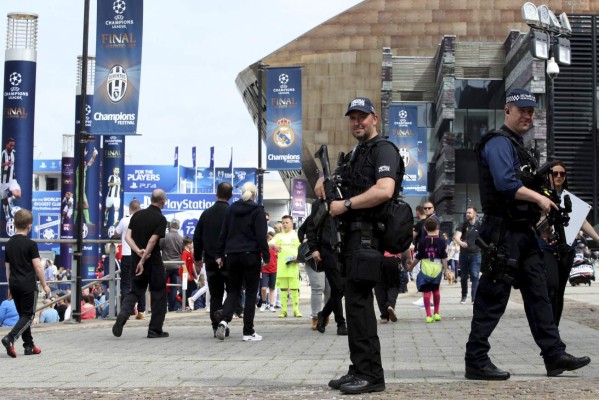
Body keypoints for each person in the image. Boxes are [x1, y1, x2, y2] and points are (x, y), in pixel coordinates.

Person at [465, 88, 590, 380]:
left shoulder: (519, 147)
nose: (527, 115)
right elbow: (506, 184)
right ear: (507, 111)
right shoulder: (498, 143)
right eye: (521, 110)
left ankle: (554, 354)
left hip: (523, 234)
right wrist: (539, 200)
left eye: (531, 111)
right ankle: (476, 359)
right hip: (502, 234)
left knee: (539, 293)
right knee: (493, 297)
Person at [315, 97, 402, 394]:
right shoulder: (355, 154)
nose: (357, 122)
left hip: (368, 238)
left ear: (374, 119)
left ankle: (371, 375)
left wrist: (346, 204)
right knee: (354, 305)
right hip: (350, 238)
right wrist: (326, 183)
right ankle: (359, 367)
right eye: (352, 117)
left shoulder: (383, 149)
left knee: (361, 305)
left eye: (362, 117)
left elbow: (384, 189)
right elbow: (339, 186)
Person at [540, 161, 599, 326]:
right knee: (551, 286)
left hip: (567, 248)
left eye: (562, 174)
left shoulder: (569, 198)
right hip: (547, 247)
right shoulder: (541, 196)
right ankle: (548, 325)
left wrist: (598, 239)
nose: (558, 176)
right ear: (548, 175)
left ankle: (554, 328)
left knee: (559, 290)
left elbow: (582, 222)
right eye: (555, 173)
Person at [215, 182, 269, 342]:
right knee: (251, 293)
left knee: (233, 290)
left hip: (232, 255)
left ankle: (224, 320)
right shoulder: (257, 210)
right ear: (254, 195)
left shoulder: (231, 209)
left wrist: (219, 254)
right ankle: (248, 331)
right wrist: (266, 256)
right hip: (250, 255)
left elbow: (223, 232)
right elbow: (261, 236)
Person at [112, 188, 168, 339]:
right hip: (153, 261)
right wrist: (144, 258)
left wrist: (138, 252)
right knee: (158, 294)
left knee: (135, 290)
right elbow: (153, 240)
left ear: (151, 199)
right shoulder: (161, 219)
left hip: (135, 259)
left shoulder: (137, 215)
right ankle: (154, 330)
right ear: (163, 202)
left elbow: (128, 237)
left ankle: (123, 315)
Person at [1, 209, 51, 358]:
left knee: (23, 315)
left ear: (15, 224)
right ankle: (10, 338)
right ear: (29, 226)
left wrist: (9, 285)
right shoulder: (31, 244)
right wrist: (44, 284)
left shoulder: (9, 244)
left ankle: (28, 346)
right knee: (28, 316)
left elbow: (7, 267)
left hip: (15, 284)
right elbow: (37, 266)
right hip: (28, 285)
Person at [193, 182, 233, 337]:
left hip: (210, 259)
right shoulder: (232, 213)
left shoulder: (206, 213)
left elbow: (197, 238)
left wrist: (197, 258)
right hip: (229, 259)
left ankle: (215, 324)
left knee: (215, 293)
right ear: (230, 196)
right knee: (232, 291)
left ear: (216, 194)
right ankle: (223, 316)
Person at [306, 198, 347, 335]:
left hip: (345, 250)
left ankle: (323, 314)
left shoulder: (347, 198)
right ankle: (341, 323)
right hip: (327, 250)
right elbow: (308, 227)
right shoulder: (320, 204)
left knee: (341, 289)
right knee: (337, 287)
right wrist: (314, 248)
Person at [407, 218, 449, 323]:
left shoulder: (422, 242)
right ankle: (437, 313)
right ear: (437, 228)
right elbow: (444, 257)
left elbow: (418, 257)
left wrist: (411, 267)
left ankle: (429, 315)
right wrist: (446, 270)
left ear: (425, 228)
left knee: (426, 292)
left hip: (426, 268)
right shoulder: (441, 242)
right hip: (437, 268)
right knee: (436, 290)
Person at [114, 199, 145, 318]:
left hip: (127, 255)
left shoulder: (124, 220)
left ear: (130, 209)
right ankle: (141, 310)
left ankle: (127, 311)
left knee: (126, 284)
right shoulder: (143, 221)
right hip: (139, 255)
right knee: (140, 282)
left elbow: (116, 234)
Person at [270, 215, 301, 318]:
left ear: (291, 224)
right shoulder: (278, 236)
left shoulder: (296, 235)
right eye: (283, 223)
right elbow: (269, 243)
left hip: (293, 266)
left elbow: (302, 248)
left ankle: (296, 310)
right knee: (283, 288)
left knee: (294, 288)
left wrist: (298, 256)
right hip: (282, 267)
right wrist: (274, 245)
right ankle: (283, 310)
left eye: (287, 222)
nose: (284, 224)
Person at [453, 207, 481, 304]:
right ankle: (464, 296)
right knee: (464, 277)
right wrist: (461, 243)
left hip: (476, 254)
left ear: (475, 214)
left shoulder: (479, 225)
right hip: (464, 255)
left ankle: (474, 298)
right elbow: (456, 237)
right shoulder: (463, 224)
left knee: (474, 275)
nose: (467, 214)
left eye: (470, 212)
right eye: (466, 213)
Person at [160, 219, 183, 311]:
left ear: (170, 226)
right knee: (174, 287)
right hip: (176, 265)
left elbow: (160, 247)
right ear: (178, 226)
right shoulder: (181, 238)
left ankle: (162, 306)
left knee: (162, 286)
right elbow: (182, 250)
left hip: (166, 265)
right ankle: (172, 307)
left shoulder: (164, 237)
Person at [375, 251, 401, 324]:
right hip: (393, 259)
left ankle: (384, 316)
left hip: (377, 260)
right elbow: (405, 245)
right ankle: (390, 305)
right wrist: (408, 258)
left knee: (379, 288)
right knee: (393, 285)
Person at [1, 138, 21, 220]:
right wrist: (6, 164)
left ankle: (10, 199)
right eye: (10, 145)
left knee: (18, 195)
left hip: (12, 179)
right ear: (6, 145)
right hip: (3, 181)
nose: (12, 147)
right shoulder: (3, 153)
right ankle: (7, 214)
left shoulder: (13, 152)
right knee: (4, 201)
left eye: (13, 145)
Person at [259, 231, 277, 313]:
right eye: (269, 239)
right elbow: (260, 260)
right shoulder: (263, 249)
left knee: (272, 288)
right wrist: (260, 270)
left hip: (274, 270)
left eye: (271, 239)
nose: (270, 241)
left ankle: (271, 305)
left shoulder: (275, 249)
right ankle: (263, 303)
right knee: (263, 288)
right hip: (264, 270)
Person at [180, 237, 198, 309]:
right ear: (187, 244)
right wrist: (186, 273)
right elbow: (183, 263)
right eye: (191, 243)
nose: (192, 244)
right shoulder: (184, 253)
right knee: (189, 288)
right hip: (185, 273)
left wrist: (195, 273)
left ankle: (188, 303)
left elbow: (192, 263)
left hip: (189, 273)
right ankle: (187, 303)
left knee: (192, 287)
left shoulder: (190, 252)